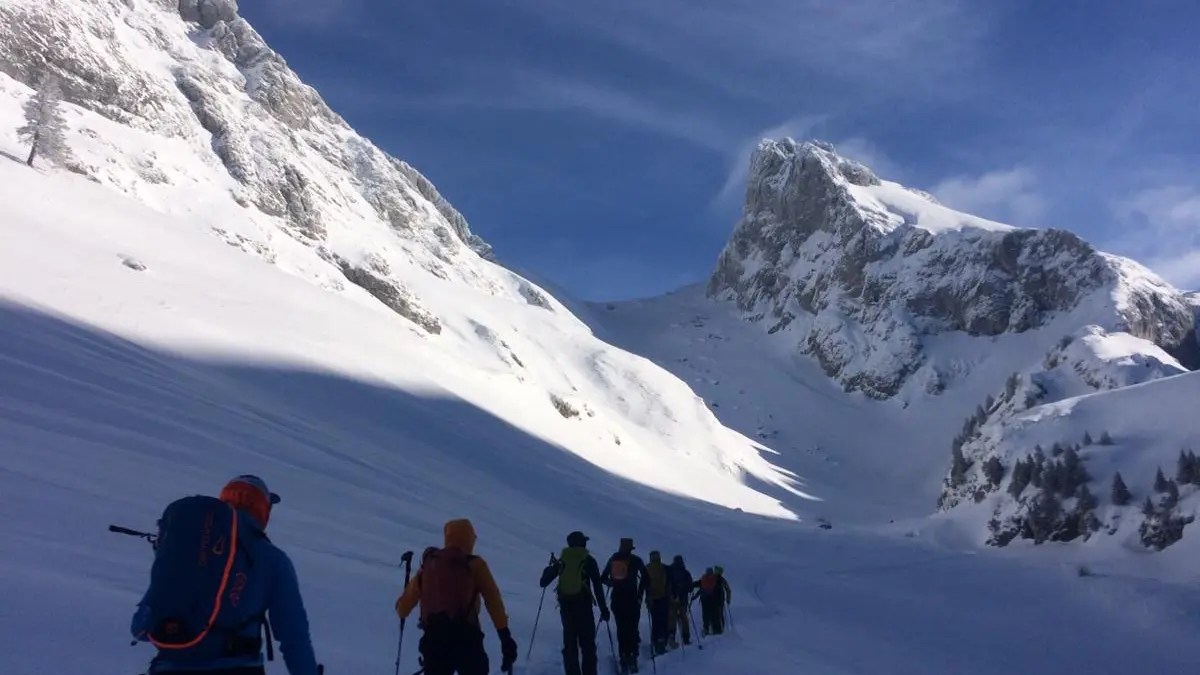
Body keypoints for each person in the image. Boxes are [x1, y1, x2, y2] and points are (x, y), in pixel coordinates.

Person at [130, 475, 320, 675]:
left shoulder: (189, 551)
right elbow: (294, 636)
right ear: (263, 510)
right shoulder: (272, 559)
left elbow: (140, 629)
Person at [395, 518, 518, 675]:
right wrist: (505, 637)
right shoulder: (476, 565)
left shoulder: (429, 565)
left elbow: (403, 608)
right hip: (467, 639)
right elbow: (493, 601)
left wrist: (400, 607)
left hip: (434, 640)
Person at [539, 531, 609, 675]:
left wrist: (549, 569)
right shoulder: (588, 560)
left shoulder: (562, 560)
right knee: (587, 646)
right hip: (584, 607)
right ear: (582, 543)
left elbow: (543, 582)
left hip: (566, 608)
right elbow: (597, 586)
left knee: (570, 646)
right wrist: (604, 609)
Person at [601, 537, 648, 674]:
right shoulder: (636, 560)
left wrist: (612, 583)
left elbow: (602, 577)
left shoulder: (613, 559)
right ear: (631, 548)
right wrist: (640, 594)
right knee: (632, 628)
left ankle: (623, 658)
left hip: (617, 599)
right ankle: (633, 658)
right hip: (632, 599)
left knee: (621, 628)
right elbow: (646, 578)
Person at [643, 551, 671, 655]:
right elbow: (669, 583)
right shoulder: (665, 568)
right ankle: (661, 643)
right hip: (664, 598)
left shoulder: (646, 568)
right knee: (663, 620)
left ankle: (654, 642)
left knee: (655, 621)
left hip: (651, 600)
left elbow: (643, 584)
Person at [694, 566, 732, 636]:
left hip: (705, 600)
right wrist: (728, 599)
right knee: (717, 615)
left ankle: (706, 629)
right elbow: (728, 589)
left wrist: (694, 596)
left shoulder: (704, 578)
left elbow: (700, 587)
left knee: (706, 615)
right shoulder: (720, 579)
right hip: (717, 600)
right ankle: (718, 629)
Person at [665, 555, 693, 649]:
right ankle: (686, 638)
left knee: (671, 618)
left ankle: (671, 637)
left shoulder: (669, 571)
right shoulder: (685, 573)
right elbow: (690, 587)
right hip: (683, 600)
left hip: (671, 599)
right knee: (683, 618)